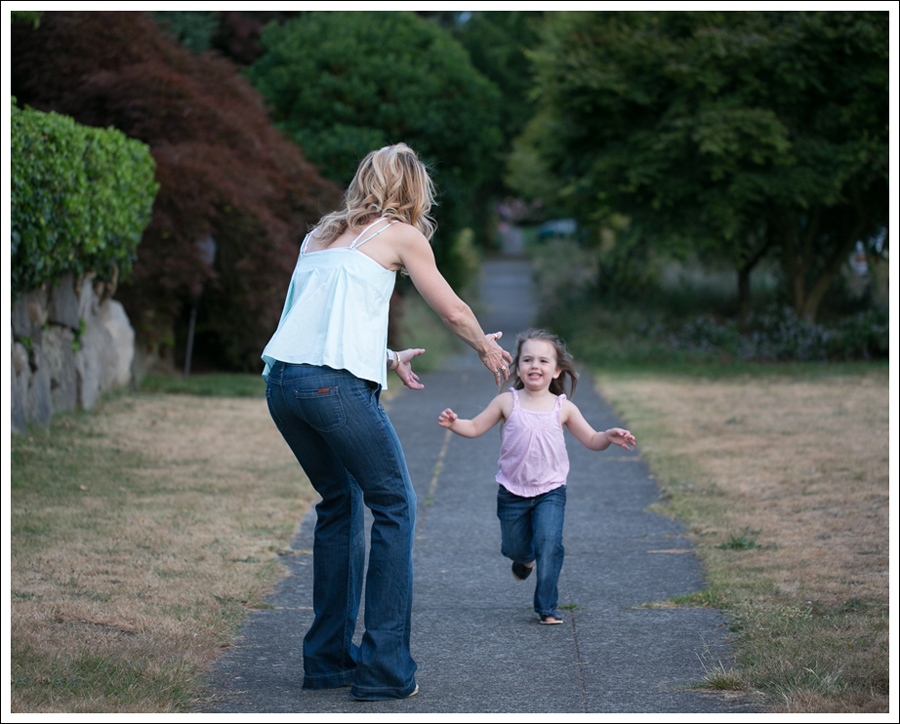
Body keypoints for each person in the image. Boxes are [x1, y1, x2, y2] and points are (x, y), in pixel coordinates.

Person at [261, 143, 512, 701]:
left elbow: (312, 321)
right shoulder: (402, 234)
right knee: (395, 505)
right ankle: (384, 670)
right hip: (332, 388)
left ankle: (327, 660)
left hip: (284, 386)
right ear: (413, 187)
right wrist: (485, 350)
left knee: (341, 503)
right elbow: (451, 307)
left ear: (364, 180)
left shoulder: (318, 236)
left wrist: (388, 357)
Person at [437, 329, 635, 624]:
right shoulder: (507, 402)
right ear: (518, 367)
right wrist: (455, 425)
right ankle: (525, 559)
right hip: (512, 491)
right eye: (527, 359)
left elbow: (592, 439)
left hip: (550, 490)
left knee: (550, 542)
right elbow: (476, 427)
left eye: (543, 361)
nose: (535, 366)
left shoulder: (563, 407)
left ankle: (546, 607)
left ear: (556, 370)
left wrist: (608, 435)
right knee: (514, 548)